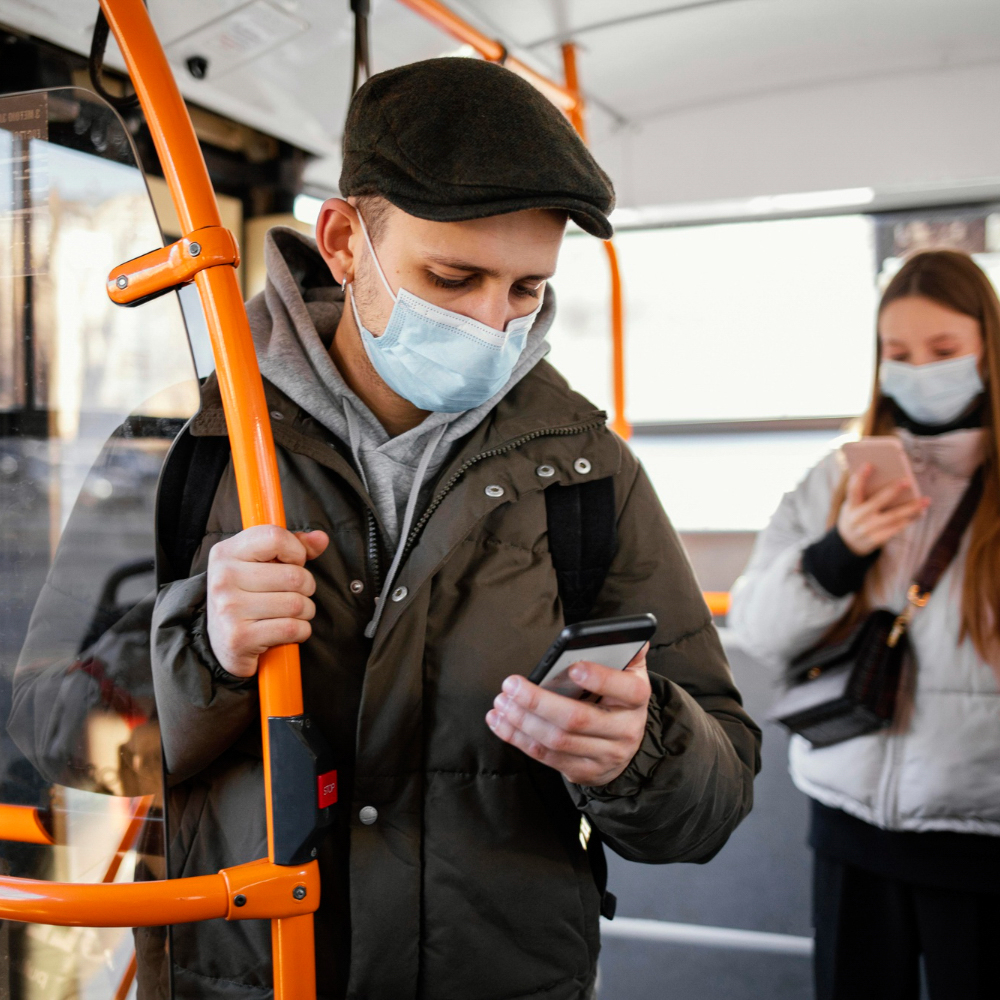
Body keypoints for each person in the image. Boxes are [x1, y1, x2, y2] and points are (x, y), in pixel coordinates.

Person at [15, 57, 760, 1000]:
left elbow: (718, 794)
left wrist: (640, 748)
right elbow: (44, 729)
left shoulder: (585, 470)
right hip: (247, 972)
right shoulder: (185, 447)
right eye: (453, 277)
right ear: (341, 240)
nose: (494, 326)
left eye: (527, 290)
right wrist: (202, 647)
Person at [729, 249, 1000, 1000]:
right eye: (898, 354)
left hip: (979, 832)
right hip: (848, 818)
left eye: (944, 352)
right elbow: (756, 627)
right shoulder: (836, 479)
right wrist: (837, 554)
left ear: (989, 348)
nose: (920, 371)